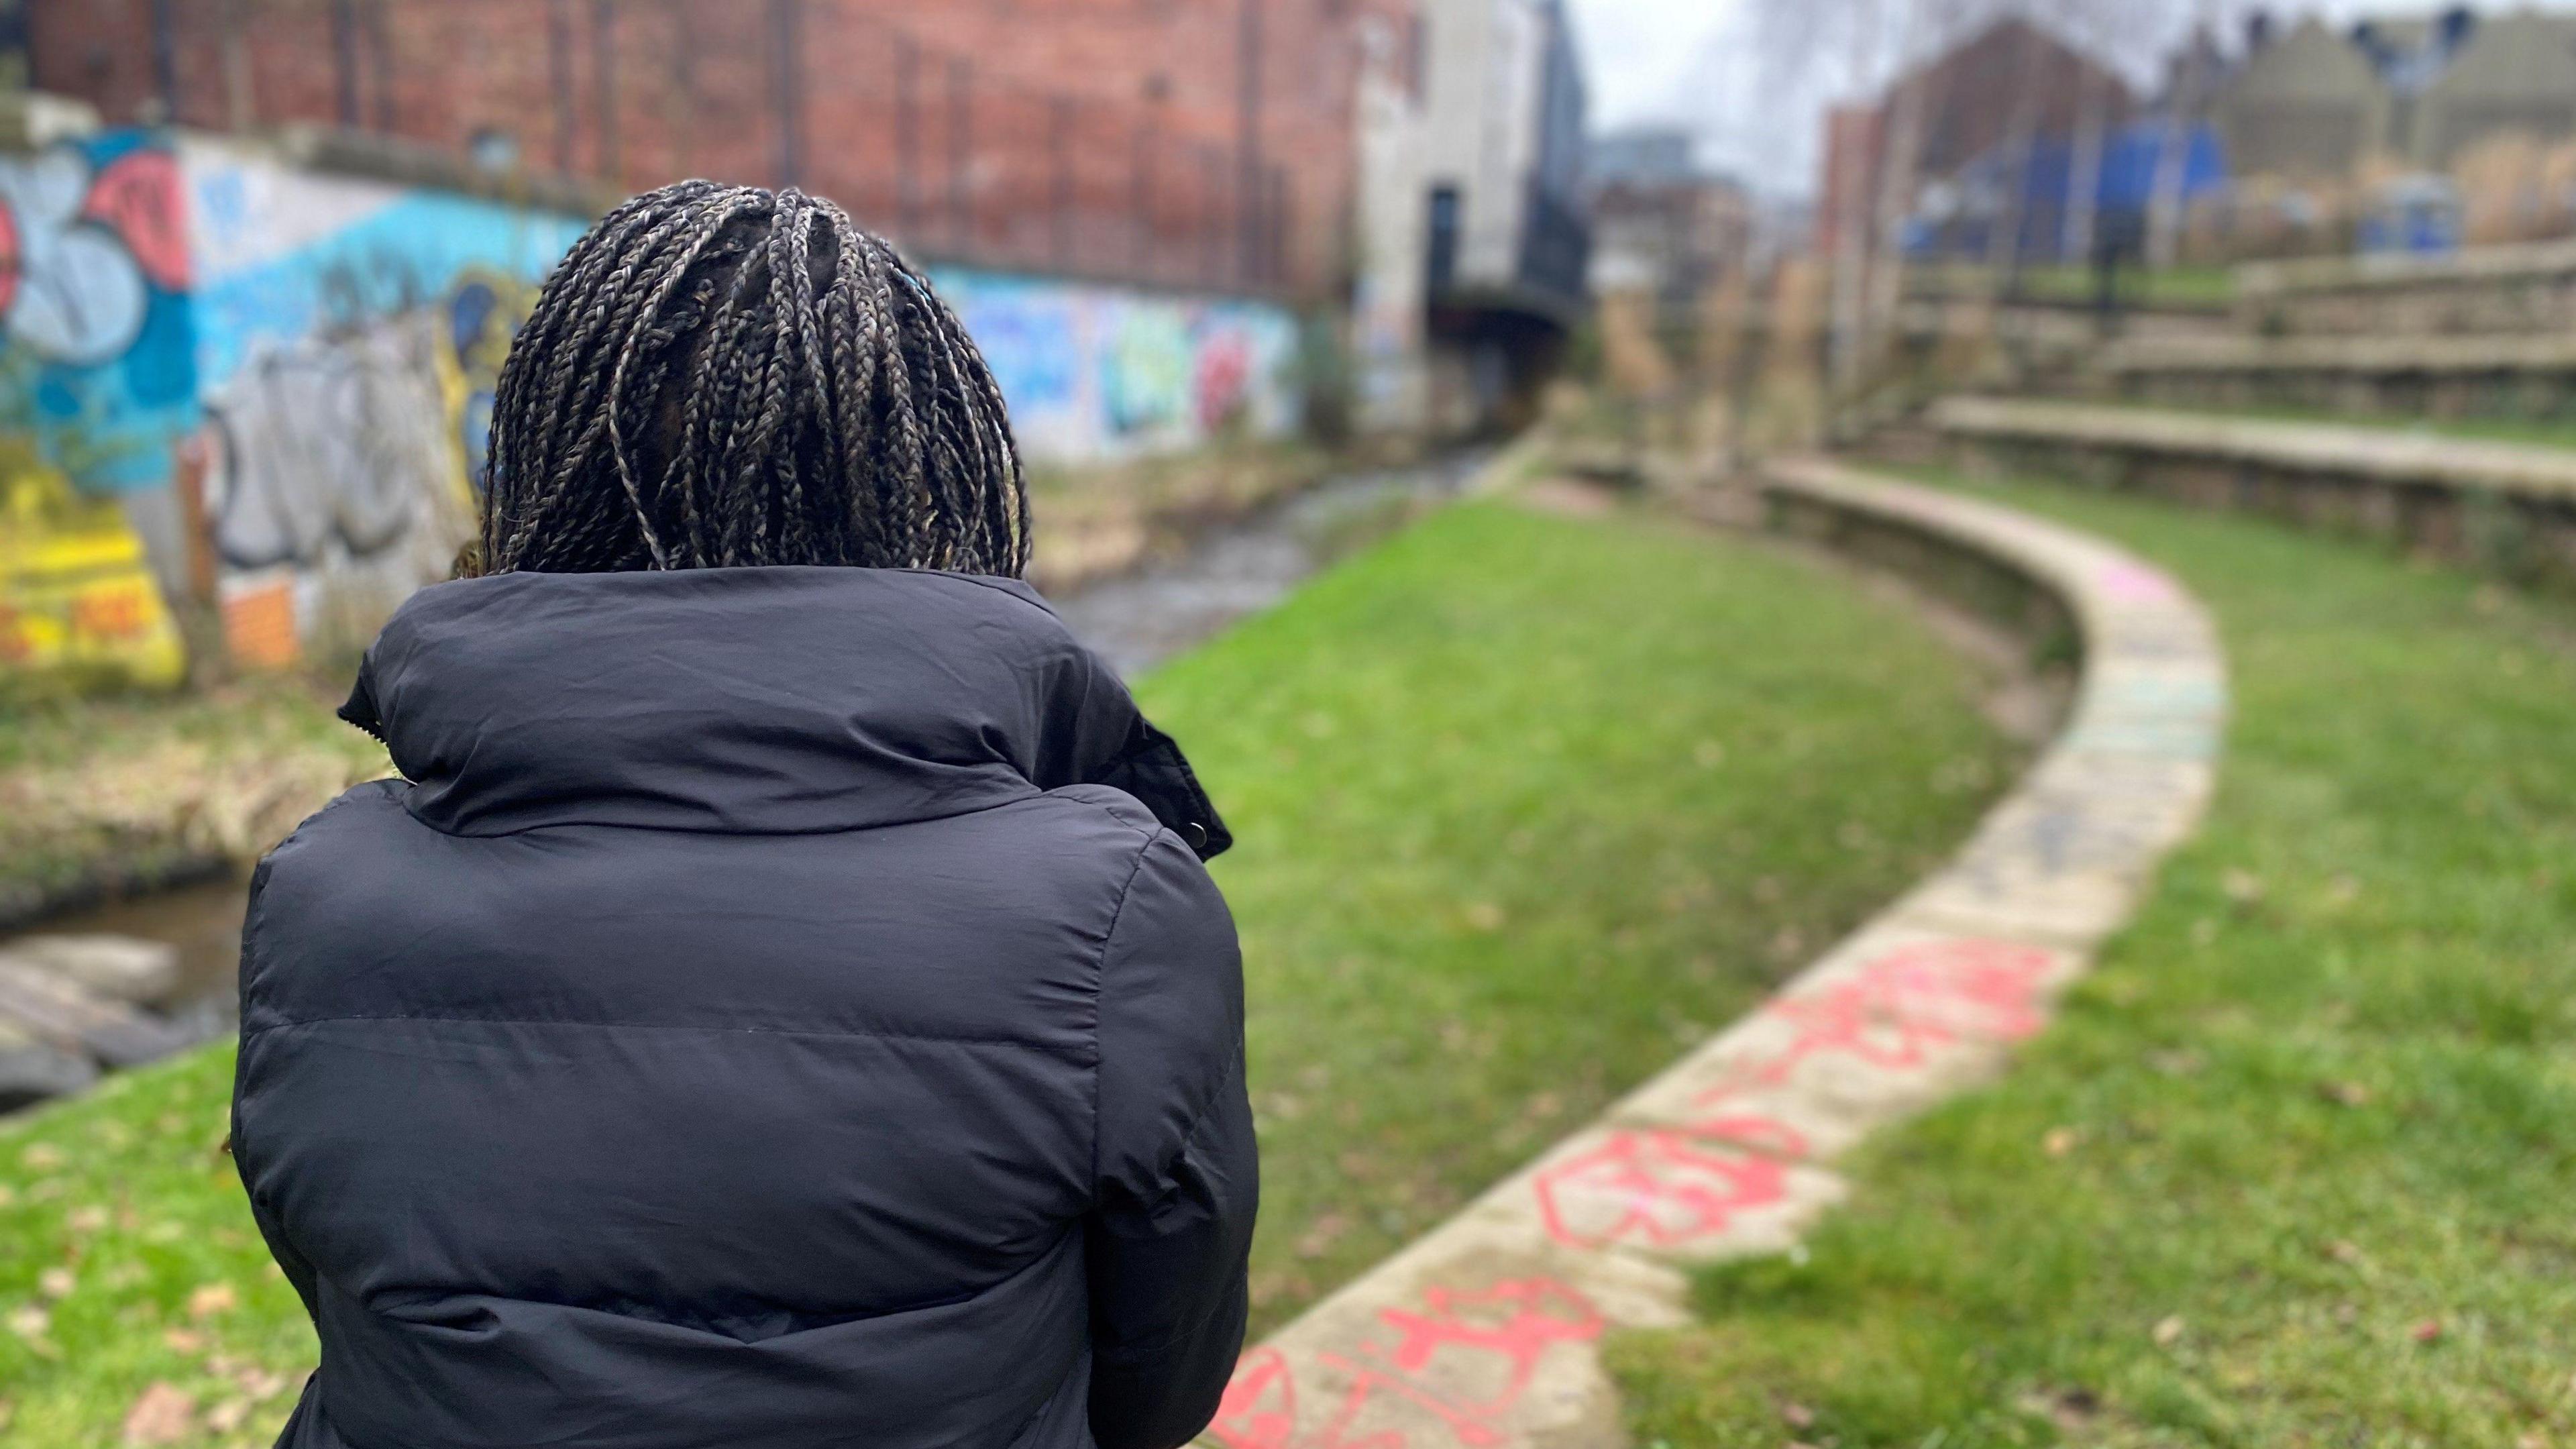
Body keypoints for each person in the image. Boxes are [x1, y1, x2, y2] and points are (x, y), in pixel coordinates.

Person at [229, 180, 1256, 1449]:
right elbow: (1163, 1377)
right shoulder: (1114, 917)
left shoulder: (320, 896)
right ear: (932, 476)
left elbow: (354, 1304)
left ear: (539, 462)